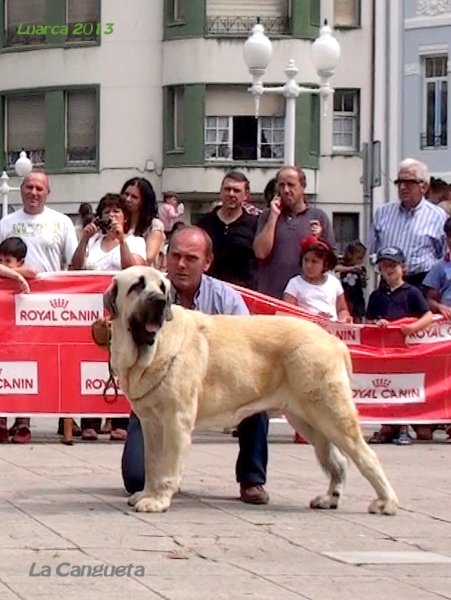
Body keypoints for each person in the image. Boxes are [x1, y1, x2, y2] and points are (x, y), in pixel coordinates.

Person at [121, 225, 270, 505]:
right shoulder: (147, 295)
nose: (181, 264)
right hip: (157, 396)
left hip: (216, 389)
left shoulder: (227, 299)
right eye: (175, 256)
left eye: (191, 258)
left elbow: (248, 350)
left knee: (257, 393)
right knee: (135, 481)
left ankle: (252, 479)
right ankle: (156, 476)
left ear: (207, 262)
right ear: (165, 258)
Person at [0, 171, 78, 444]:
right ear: (21, 190)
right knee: (9, 362)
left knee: (41, 363)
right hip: (7, 306)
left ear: (48, 193)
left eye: (39, 188)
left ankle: (27, 421)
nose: (34, 192)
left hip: (46, 308)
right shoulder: (6, 222)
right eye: (29, 187)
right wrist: (18, 275)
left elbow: (73, 262)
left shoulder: (62, 222)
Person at [70, 193, 146, 441]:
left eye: (117, 211)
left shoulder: (135, 242)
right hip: (91, 313)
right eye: (107, 211)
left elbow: (134, 269)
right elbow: (76, 268)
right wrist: (84, 238)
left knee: (122, 361)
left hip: (123, 312)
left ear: (125, 218)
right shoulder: (93, 241)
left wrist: (121, 240)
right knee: (88, 360)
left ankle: (120, 420)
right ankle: (89, 419)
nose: (111, 215)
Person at [366, 247, 433, 445]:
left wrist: (413, 327)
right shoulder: (376, 296)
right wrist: (377, 325)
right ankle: (386, 425)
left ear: (403, 267)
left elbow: (427, 315)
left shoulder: (412, 292)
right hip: (384, 352)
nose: (388, 270)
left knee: (403, 387)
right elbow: (367, 322)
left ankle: (403, 425)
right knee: (385, 386)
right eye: (384, 266)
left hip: (406, 350)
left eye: (392, 265)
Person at [254, 166, 335, 300]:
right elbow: (260, 253)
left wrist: (318, 242)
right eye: (281, 185)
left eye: (291, 185)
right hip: (272, 296)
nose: (286, 190)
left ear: (303, 187)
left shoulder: (318, 217)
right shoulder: (267, 216)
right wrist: (274, 216)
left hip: (306, 301)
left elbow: (331, 261)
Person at [368, 158, 447, 291]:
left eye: (409, 183)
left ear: (424, 187)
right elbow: (372, 250)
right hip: (388, 283)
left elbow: (443, 256)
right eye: (399, 183)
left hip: (421, 283)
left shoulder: (438, 217)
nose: (403, 187)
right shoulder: (383, 212)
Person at [0, 237, 37, 441]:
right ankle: (1, 420)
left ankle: (23, 423)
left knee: (24, 377)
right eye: (1, 260)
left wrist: (16, 275)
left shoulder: (26, 272)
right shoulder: (12, 273)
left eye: (8, 260)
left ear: (20, 261)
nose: (3, 265)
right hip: (2, 335)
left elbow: (33, 272)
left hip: (20, 335)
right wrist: (14, 274)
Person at [198, 171, 258, 289]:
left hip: (243, 295)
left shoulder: (255, 225)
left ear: (246, 195)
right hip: (209, 291)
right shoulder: (204, 223)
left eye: (236, 190)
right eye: (227, 189)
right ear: (221, 191)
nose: (231, 194)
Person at [283, 235, 351, 322]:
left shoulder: (333, 282)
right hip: (306, 331)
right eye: (306, 260)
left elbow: (342, 309)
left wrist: (344, 318)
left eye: (314, 262)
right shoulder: (294, 284)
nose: (308, 265)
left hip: (331, 331)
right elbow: (288, 314)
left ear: (325, 264)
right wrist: (314, 318)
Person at [121, 178, 165, 267]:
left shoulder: (154, 226)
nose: (128, 199)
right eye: (126, 194)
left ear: (144, 201)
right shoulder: (120, 222)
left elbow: (148, 258)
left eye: (134, 197)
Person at [335, 241, 367, 323]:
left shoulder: (361, 269)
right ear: (350, 255)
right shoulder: (344, 265)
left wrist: (363, 278)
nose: (360, 261)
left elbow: (363, 284)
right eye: (358, 258)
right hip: (346, 296)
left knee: (357, 318)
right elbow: (336, 269)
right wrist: (351, 268)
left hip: (357, 298)